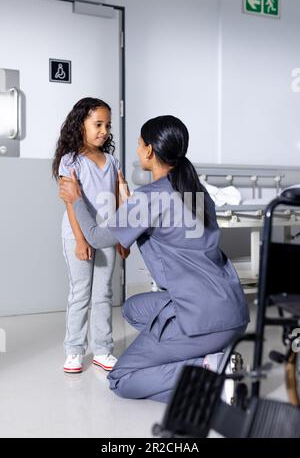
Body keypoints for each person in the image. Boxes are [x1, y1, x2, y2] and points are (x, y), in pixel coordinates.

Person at [59, 115, 250, 402]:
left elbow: (97, 237)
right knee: (134, 308)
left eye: (139, 144)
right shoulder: (196, 192)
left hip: (201, 320)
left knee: (122, 379)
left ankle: (208, 369)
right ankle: (199, 352)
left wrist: (74, 198)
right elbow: (172, 230)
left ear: (149, 150)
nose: (137, 150)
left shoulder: (149, 199)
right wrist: (130, 203)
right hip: (232, 311)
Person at [52, 97, 128, 374]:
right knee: (81, 293)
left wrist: (121, 238)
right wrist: (82, 240)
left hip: (107, 235)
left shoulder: (111, 161)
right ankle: (74, 350)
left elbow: (118, 203)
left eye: (107, 125)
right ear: (80, 124)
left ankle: (104, 349)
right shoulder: (70, 161)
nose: (104, 131)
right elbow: (71, 202)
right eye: (97, 124)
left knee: (103, 294)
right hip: (77, 236)